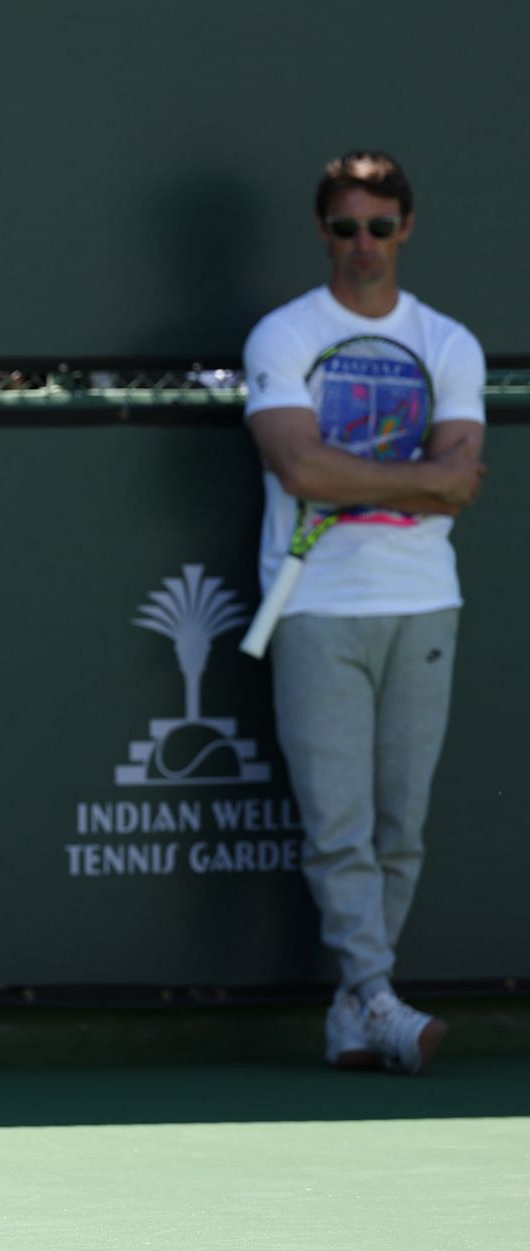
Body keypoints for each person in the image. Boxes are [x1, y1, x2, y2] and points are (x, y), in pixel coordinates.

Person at [241, 151, 487, 1075]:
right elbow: (300, 468)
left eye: (379, 228)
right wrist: (426, 477)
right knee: (337, 824)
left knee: (400, 826)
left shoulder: (449, 343)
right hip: (315, 608)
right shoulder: (284, 336)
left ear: (405, 230)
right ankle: (378, 994)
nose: (363, 246)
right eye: (346, 228)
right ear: (325, 232)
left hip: (427, 604)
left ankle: (355, 1008)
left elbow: (462, 485)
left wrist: (388, 479)